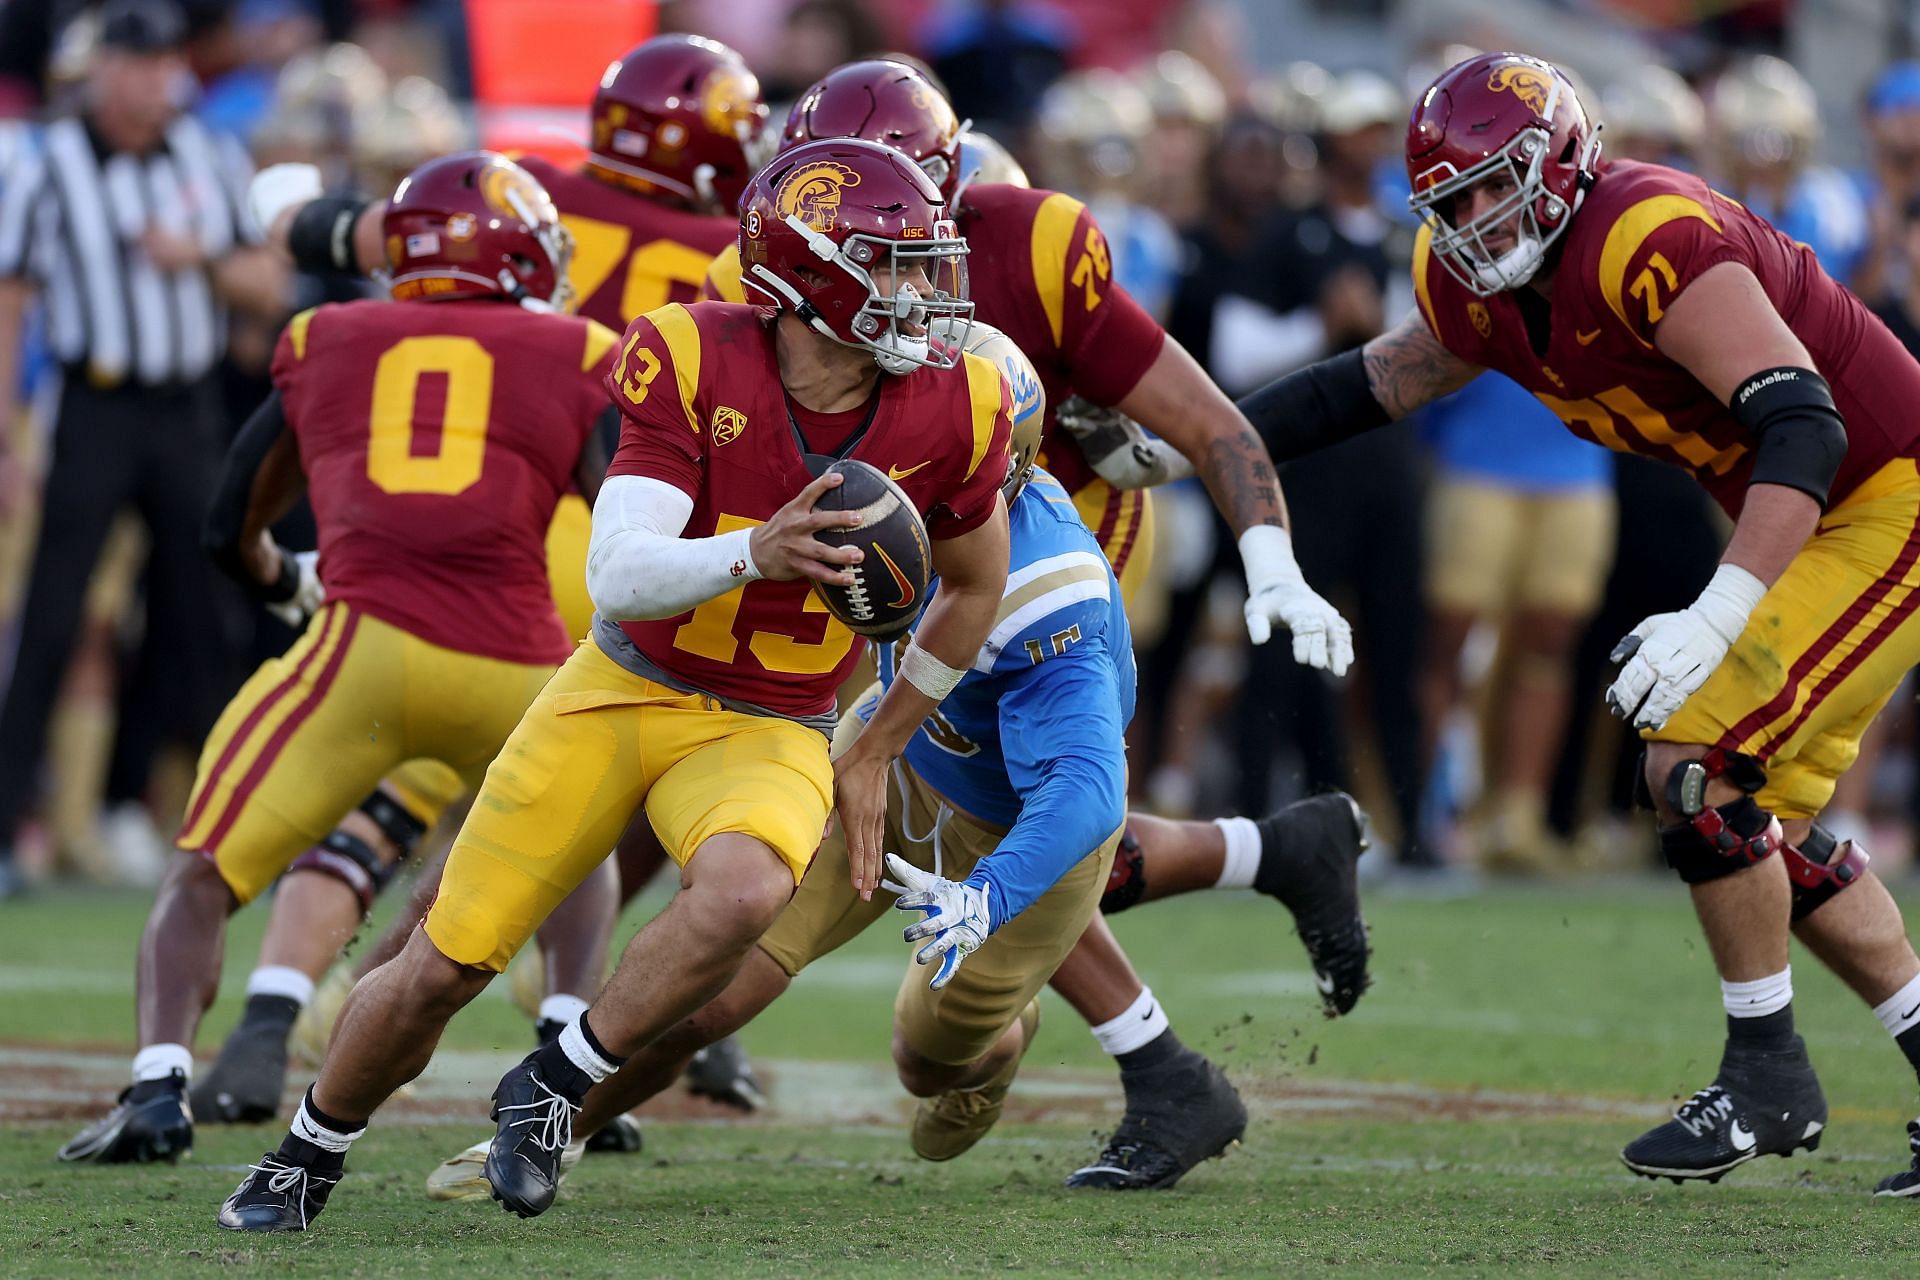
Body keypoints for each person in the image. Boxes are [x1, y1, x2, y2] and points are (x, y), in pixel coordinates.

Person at [216, 136, 1020, 1233]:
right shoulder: (694, 350)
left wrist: (880, 735)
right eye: (893, 262)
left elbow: (975, 587)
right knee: (440, 966)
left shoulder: (962, 401)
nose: (924, 290)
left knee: (743, 892)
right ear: (807, 271)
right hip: (622, 685)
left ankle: (551, 1085)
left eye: (926, 261)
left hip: (773, 717)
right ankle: (309, 1147)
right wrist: (756, 552)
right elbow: (618, 573)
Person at [1232, 51, 1920, 1197]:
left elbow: (1805, 424)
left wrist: (1722, 605)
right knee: (1750, 828)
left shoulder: (1647, 235)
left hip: (1883, 492)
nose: (1471, 220)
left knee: (1692, 759)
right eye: (1449, 201)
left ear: (1558, 162)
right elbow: (1372, 382)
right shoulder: (1479, 287)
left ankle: (1766, 1071)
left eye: (1492, 187)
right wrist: (1191, 437)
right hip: (1812, 511)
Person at [700, 60, 1366, 1187]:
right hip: (888, 544)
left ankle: (1165, 1063)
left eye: (893, 201)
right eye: (832, 201)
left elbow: (1207, 424)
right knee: (1001, 812)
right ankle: (1268, 858)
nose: (867, 225)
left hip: (1045, 538)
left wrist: (1269, 558)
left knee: (1015, 812)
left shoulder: (1030, 242)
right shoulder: (768, 262)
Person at [188, 33, 774, 1131]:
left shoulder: (526, 192)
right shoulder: (735, 247)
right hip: (615, 534)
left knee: (390, 787)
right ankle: (640, 1022)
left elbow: (319, 230)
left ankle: (272, 1019)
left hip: (483, 537)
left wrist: (291, 191)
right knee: (654, 797)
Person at [56, 151, 620, 1167]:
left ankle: (155, 1086)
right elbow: (619, 522)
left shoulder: (326, 334)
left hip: (359, 653)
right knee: (581, 844)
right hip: (515, 664)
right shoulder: (577, 351)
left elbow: (231, 522)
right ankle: (561, 1048)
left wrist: (288, 581)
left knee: (204, 871)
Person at [0, 0, 285, 898]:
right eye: (141, 64)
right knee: (52, 614)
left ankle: (182, 819)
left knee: (204, 610)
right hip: (95, 404)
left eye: (166, 63)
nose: (158, 80)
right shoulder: (48, 165)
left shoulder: (208, 153)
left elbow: (266, 283)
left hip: (187, 408)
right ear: (105, 72)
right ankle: (11, 829)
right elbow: (12, 301)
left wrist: (194, 257)